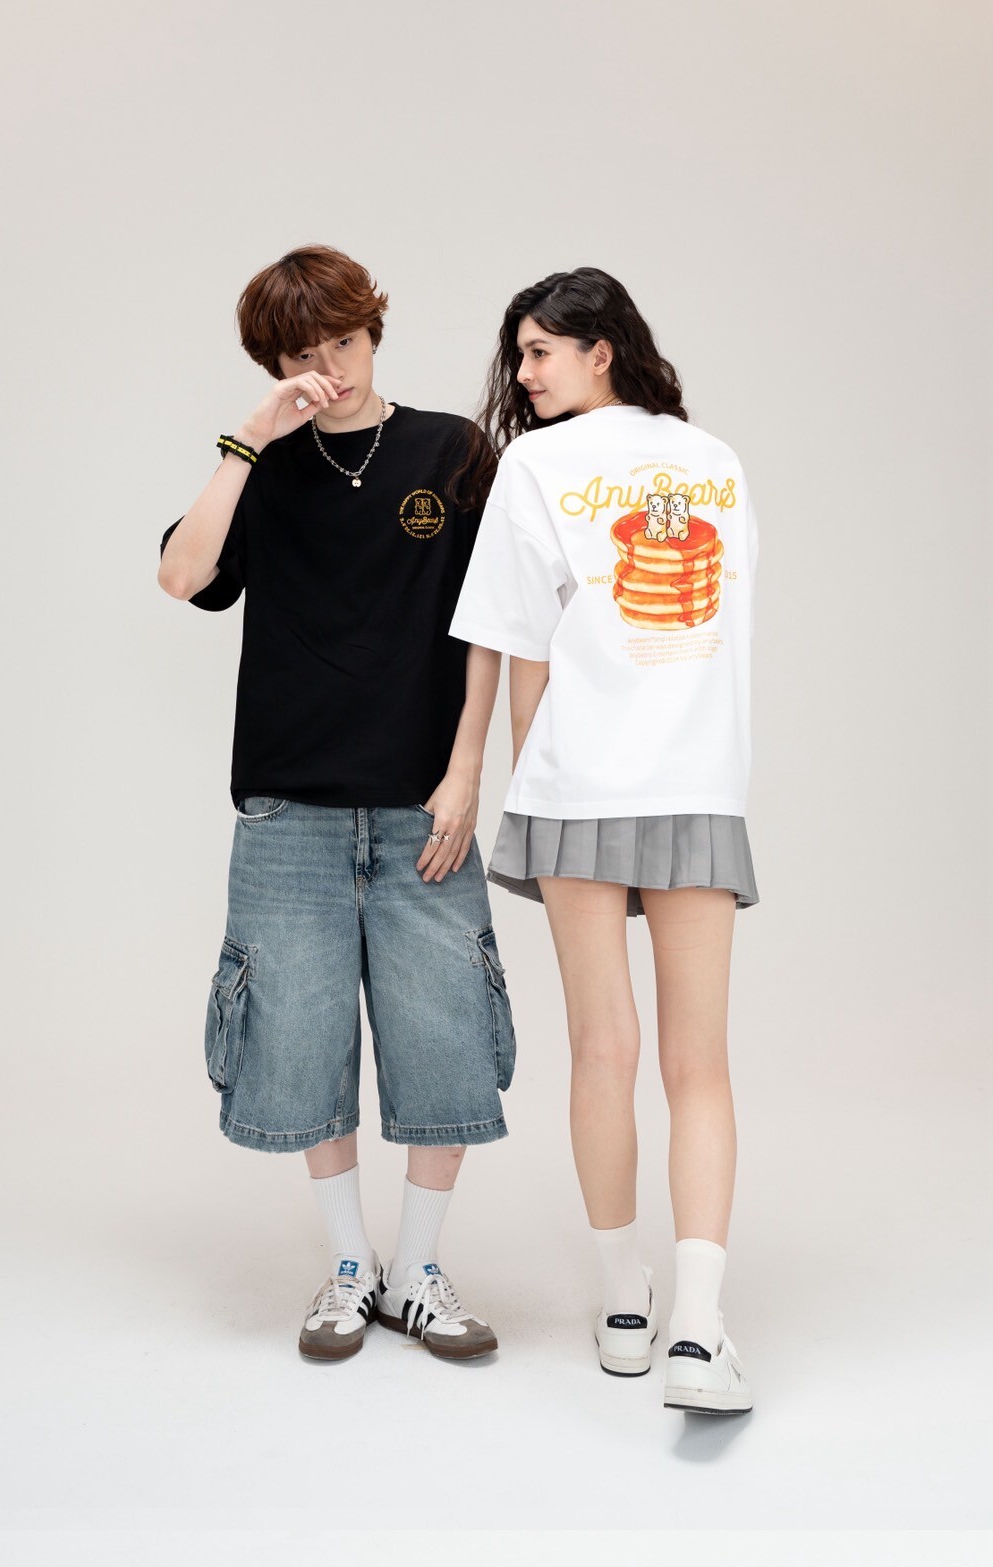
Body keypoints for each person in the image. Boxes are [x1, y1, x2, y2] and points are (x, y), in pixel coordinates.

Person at [158, 245, 512, 1364]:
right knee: (302, 1048)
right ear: (277, 364)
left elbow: (492, 624)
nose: (334, 368)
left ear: (373, 331)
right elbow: (182, 577)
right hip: (289, 813)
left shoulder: (451, 451)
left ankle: (419, 1268)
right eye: (306, 355)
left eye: (346, 343)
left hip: (421, 808)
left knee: (443, 1043)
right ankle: (351, 1265)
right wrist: (247, 440)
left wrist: (467, 770)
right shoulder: (264, 467)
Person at [449, 267, 759, 1413]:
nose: (523, 373)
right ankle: (697, 1331)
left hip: (578, 784)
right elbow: (723, 626)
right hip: (696, 780)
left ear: (600, 350)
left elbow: (521, 646)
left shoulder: (535, 466)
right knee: (698, 1062)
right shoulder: (715, 460)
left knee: (602, 1051)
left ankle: (626, 1305)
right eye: (521, 353)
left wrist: (523, 778)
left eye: (539, 351)